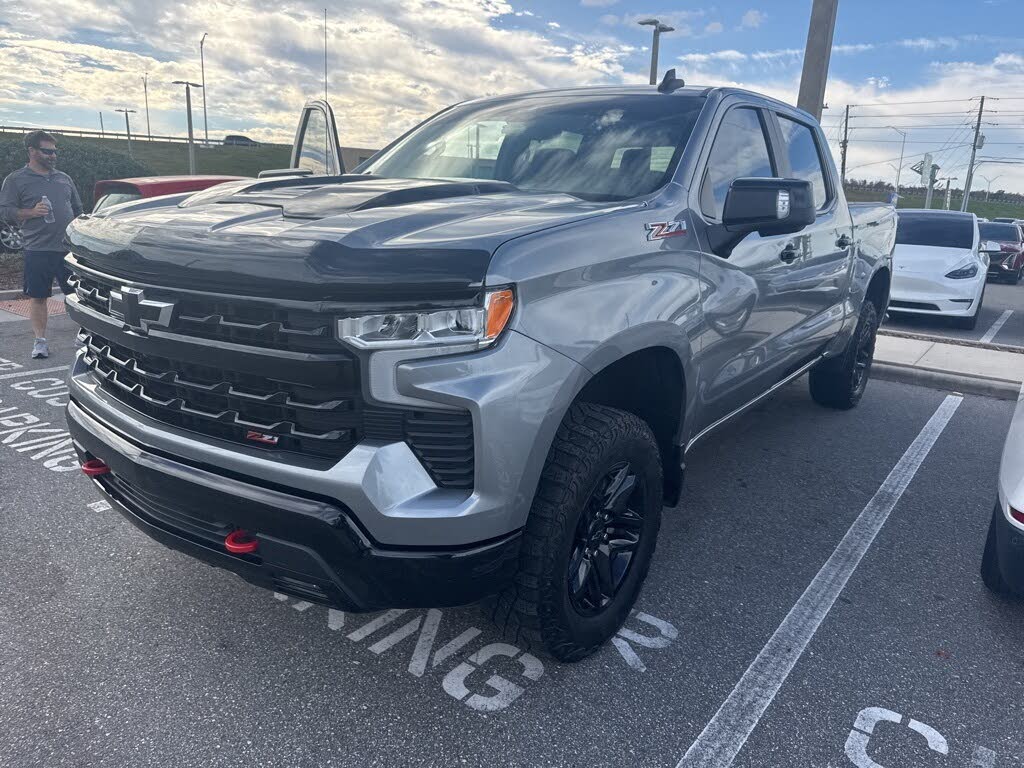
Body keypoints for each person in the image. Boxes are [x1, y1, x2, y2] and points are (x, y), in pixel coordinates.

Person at [0, 130, 83, 358]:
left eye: (54, 151)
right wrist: (30, 212)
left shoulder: (64, 178)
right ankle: (40, 342)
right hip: (37, 249)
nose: (53, 156)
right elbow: (4, 211)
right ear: (32, 151)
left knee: (78, 296)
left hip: (68, 250)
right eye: (47, 151)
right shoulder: (16, 180)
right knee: (38, 297)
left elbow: (78, 209)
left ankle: (85, 334)